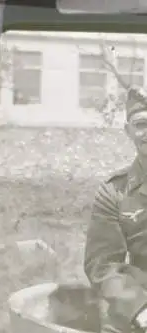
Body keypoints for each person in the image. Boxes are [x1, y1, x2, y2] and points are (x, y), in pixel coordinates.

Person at [85, 86, 147, 333]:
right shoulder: (114, 192)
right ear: (129, 131)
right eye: (142, 124)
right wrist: (140, 310)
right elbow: (102, 266)